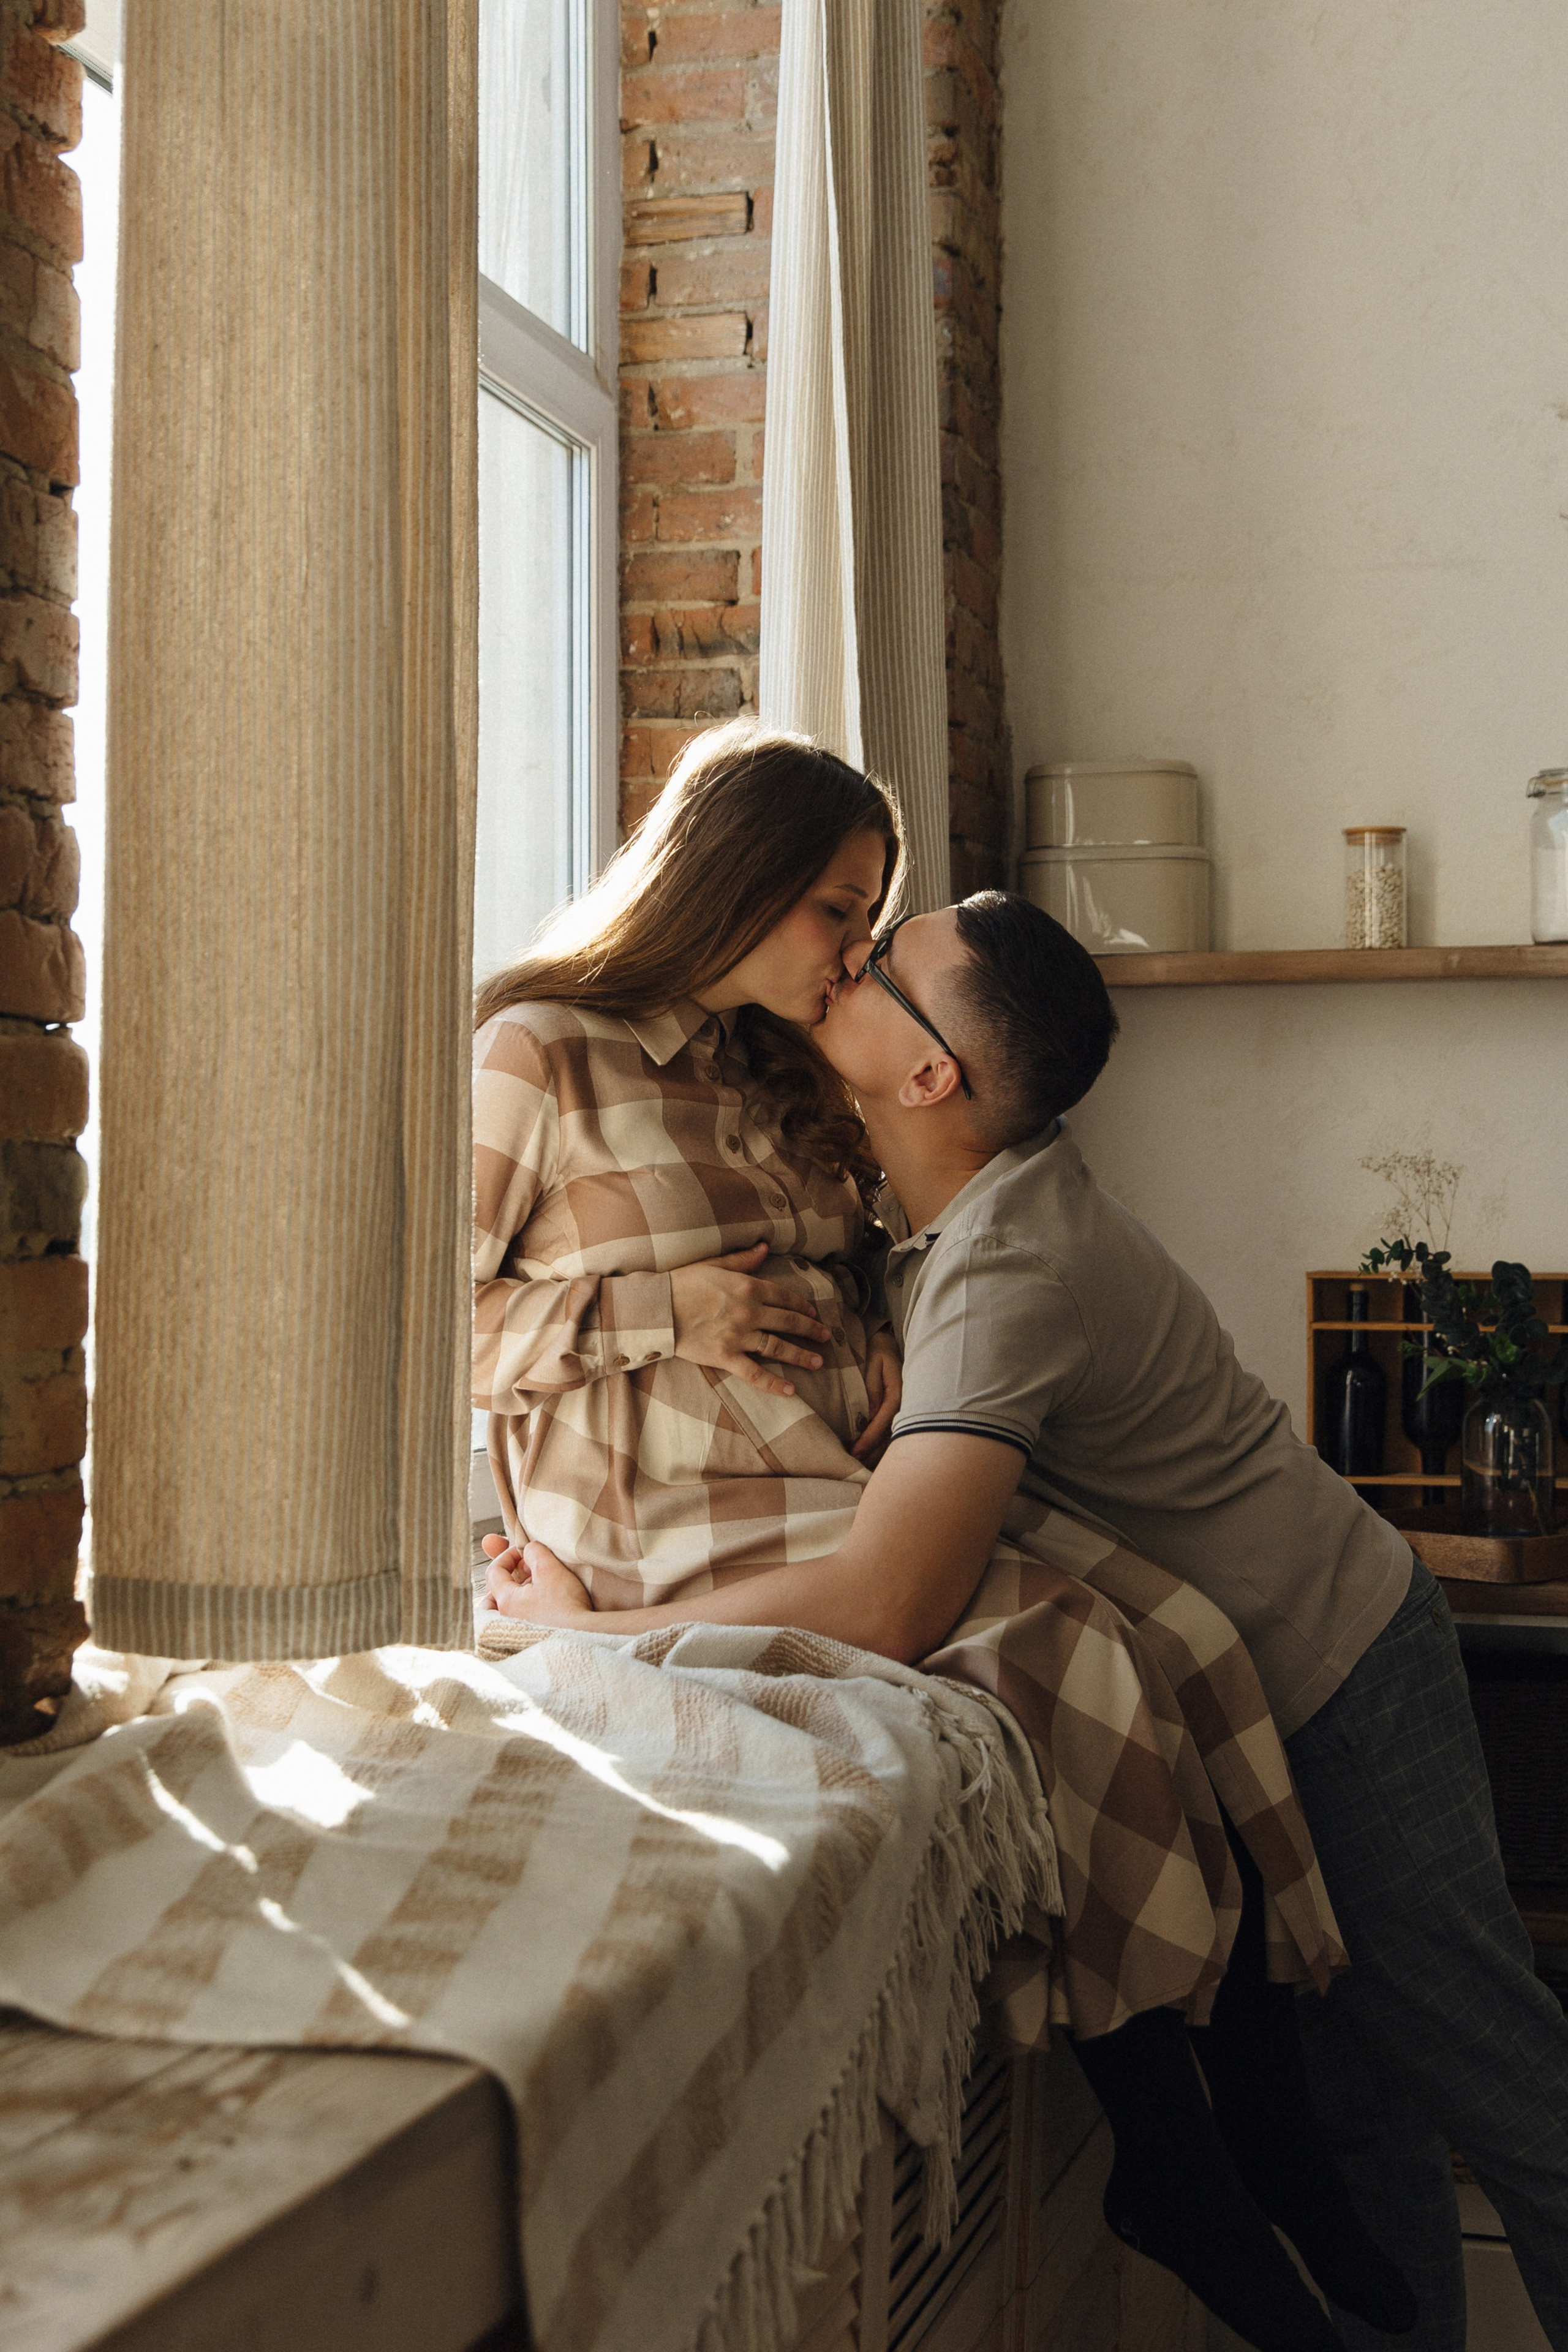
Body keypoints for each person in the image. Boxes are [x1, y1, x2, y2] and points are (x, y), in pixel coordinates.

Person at [493, 884, 1568, 2352]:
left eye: (878, 961)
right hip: (1239, 1673)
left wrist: (580, 1640)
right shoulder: (928, 1217)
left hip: (1334, 1667)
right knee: (1346, 2110)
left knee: (1491, 2075)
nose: (847, 963)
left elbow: (885, 1598)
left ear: (931, 1073)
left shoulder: (1006, 1265)